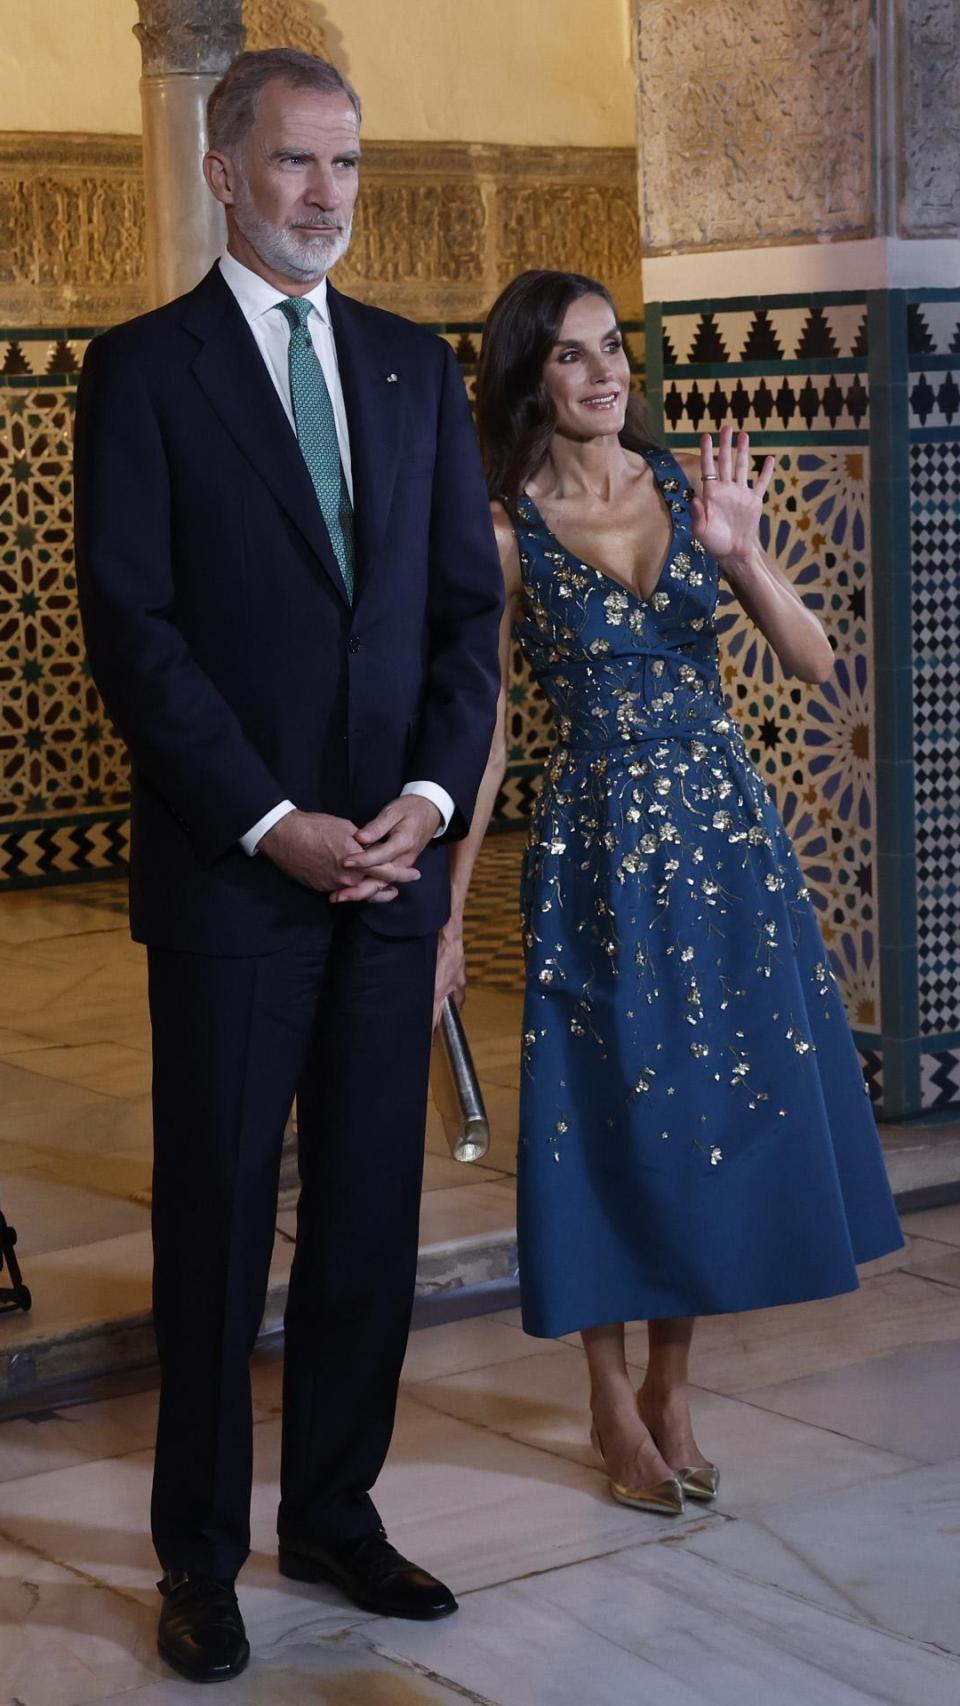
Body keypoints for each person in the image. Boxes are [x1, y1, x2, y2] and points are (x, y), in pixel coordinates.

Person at [74, 49, 502, 1685]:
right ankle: (200, 1555)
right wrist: (267, 817)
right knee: (217, 1218)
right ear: (224, 166)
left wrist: (424, 799)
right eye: (297, 163)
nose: (327, 196)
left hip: (390, 874)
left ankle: (333, 1507)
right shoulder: (146, 369)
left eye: (347, 165)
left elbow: (468, 621)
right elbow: (135, 626)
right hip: (236, 878)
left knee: (370, 1222)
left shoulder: (411, 369)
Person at [436, 269, 902, 1517]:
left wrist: (743, 558)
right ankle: (604, 1391)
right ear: (531, 375)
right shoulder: (501, 529)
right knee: (602, 1110)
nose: (606, 376)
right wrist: (446, 907)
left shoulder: (695, 490)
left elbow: (814, 661)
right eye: (576, 356)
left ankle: (674, 1390)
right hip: (593, 845)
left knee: (699, 1110)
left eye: (615, 350)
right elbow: (480, 738)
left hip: (726, 841)